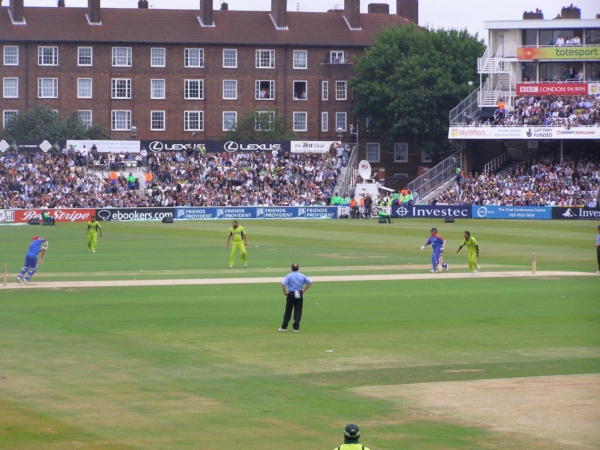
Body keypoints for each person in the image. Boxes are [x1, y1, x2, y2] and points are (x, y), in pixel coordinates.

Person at [279, 263, 312, 332]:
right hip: (299, 293)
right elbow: (310, 282)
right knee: (298, 310)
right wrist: (304, 290)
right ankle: (296, 328)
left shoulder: (289, 276)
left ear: (291, 268)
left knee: (288, 311)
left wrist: (285, 292)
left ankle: (284, 327)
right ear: (298, 268)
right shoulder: (302, 275)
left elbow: (283, 284)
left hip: (291, 293)